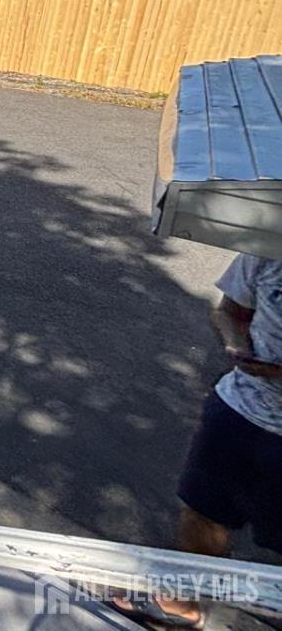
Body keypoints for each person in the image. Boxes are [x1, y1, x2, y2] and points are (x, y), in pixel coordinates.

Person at [115, 253, 282, 627]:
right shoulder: (268, 248)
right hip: (240, 412)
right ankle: (181, 605)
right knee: (203, 515)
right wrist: (237, 346)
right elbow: (228, 312)